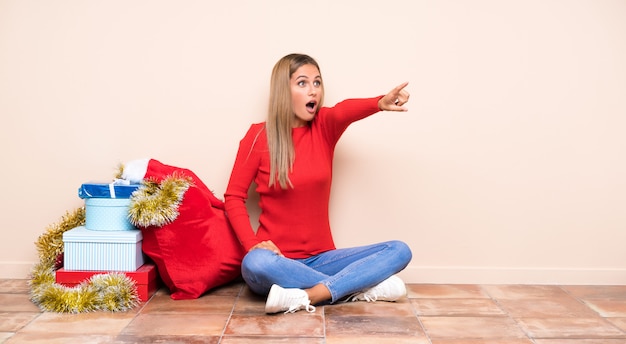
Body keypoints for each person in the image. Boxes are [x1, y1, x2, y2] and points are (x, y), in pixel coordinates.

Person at [224, 53, 413, 314]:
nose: (313, 91)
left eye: (317, 83)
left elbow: (345, 110)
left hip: (324, 259)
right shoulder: (257, 137)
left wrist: (378, 102)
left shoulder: (324, 126)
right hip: (276, 261)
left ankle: (310, 295)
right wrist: (251, 243)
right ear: (283, 90)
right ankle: (353, 289)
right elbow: (233, 196)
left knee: (399, 250)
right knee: (255, 263)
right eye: (302, 83)